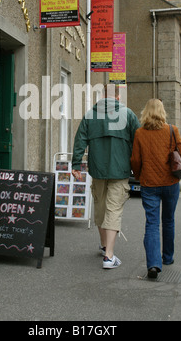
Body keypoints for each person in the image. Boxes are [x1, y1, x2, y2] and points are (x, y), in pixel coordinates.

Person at [72, 84, 140, 269]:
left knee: (101, 207)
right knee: (113, 210)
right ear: (118, 97)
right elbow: (139, 142)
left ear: (102, 96)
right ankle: (109, 256)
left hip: (98, 169)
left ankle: (104, 247)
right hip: (120, 170)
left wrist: (76, 164)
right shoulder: (128, 114)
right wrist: (140, 167)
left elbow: (80, 139)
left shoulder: (91, 115)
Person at [130, 99, 181, 279]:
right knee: (168, 220)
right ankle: (168, 257)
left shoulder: (139, 133)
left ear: (145, 112)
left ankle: (154, 264)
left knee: (152, 223)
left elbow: (135, 160)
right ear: (162, 111)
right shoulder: (172, 130)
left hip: (149, 184)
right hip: (170, 182)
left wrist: (139, 175)